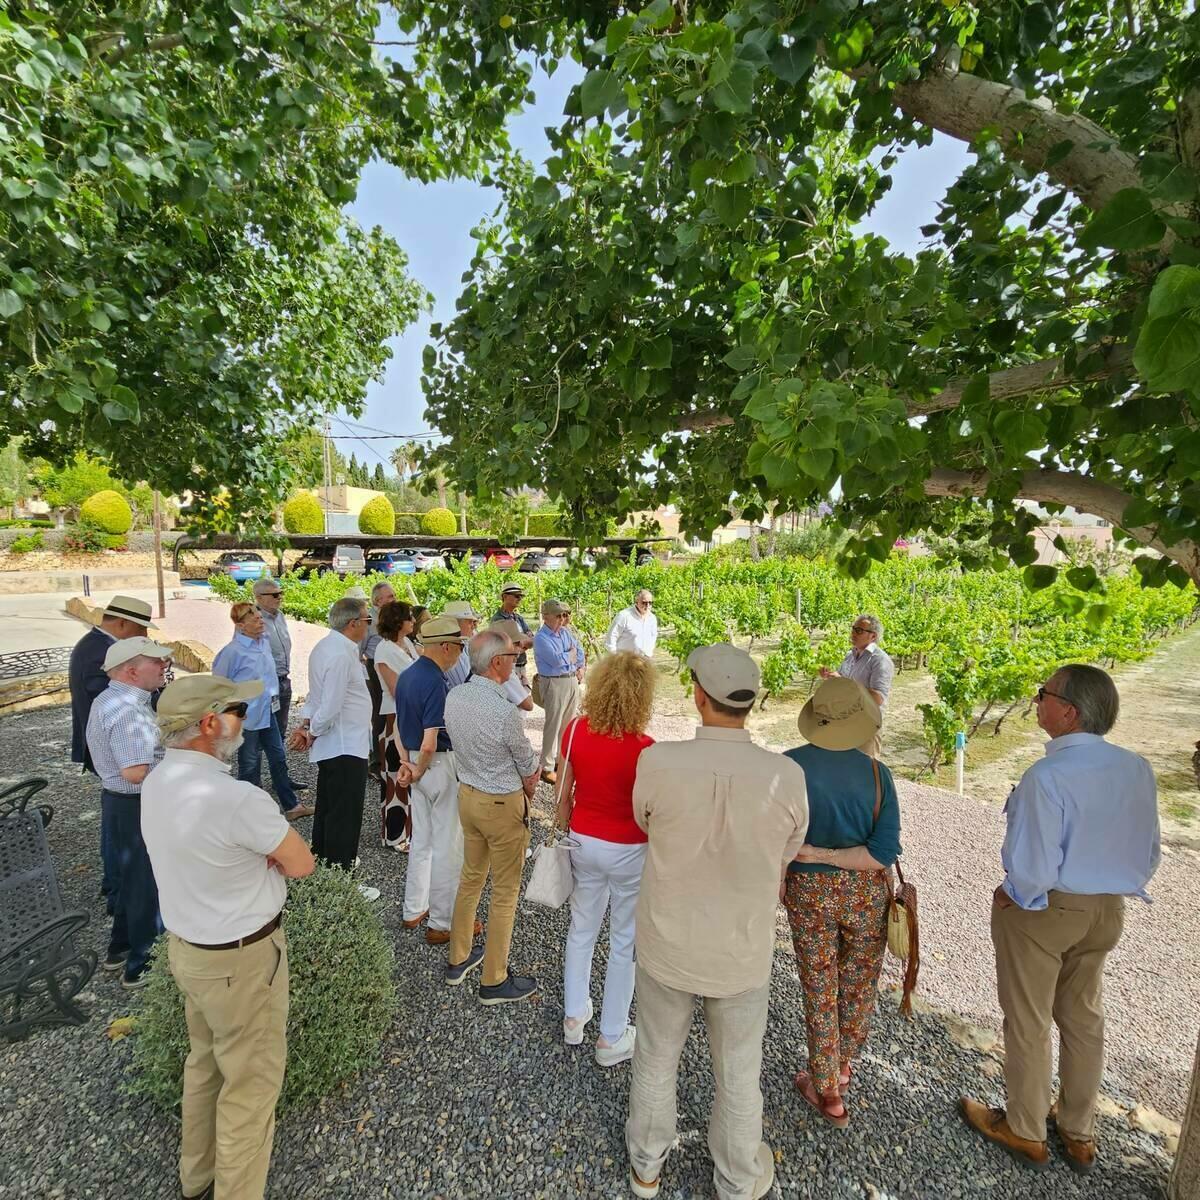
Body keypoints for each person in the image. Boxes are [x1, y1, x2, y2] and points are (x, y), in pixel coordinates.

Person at [961, 664, 1161, 1175]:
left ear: (1068, 712)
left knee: (1028, 1018)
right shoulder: (1136, 768)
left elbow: (1033, 865)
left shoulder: (1046, 775)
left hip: (1048, 908)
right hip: (1108, 909)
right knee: (1083, 1016)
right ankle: (1078, 1130)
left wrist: (1014, 893)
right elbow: (1151, 852)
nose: (1035, 700)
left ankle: (1025, 1130)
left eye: (1043, 694)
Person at [625, 643, 808, 1200]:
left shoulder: (657, 762)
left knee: (656, 1054)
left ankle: (646, 1168)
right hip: (742, 950)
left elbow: (643, 820)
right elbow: (790, 848)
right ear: (752, 702)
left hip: (668, 941)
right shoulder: (786, 775)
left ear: (699, 697)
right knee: (738, 1070)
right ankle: (735, 1179)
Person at [143, 674, 315, 1200]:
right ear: (210, 723)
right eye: (237, 708)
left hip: (190, 951)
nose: (245, 717)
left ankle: (196, 1178)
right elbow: (302, 864)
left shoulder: (157, 780)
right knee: (250, 1088)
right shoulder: (236, 798)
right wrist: (265, 857)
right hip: (243, 961)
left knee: (205, 1067)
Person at [783, 676, 901, 1127]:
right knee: (857, 983)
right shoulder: (878, 775)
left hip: (807, 893)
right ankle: (842, 1062)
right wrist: (835, 857)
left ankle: (827, 1086)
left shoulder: (789, 767)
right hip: (865, 895)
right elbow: (881, 853)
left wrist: (809, 856)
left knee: (819, 983)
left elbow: (775, 837)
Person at [554, 651, 656, 1066]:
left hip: (582, 839)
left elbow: (562, 792)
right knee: (623, 940)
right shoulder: (646, 748)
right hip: (629, 847)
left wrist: (565, 829)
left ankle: (574, 1015)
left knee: (582, 928)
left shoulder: (576, 730)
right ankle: (612, 1035)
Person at [442, 630, 542, 1003]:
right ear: (498, 663)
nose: (516, 663)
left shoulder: (455, 695)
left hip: (468, 796)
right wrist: (531, 783)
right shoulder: (503, 710)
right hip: (501, 804)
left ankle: (459, 957)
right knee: (504, 892)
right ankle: (494, 979)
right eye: (513, 657)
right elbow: (527, 763)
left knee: (470, 879)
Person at [84, 635, 173, 988]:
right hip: (135, 802)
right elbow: (135, 771)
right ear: (133, 671)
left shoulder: (112, 699)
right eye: (157, 662)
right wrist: (178, 772)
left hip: (120, 803)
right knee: (144, 883)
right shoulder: (128, 711)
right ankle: (142, 962)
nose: (164, 666)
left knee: (129, 877)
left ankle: (119, 948)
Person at [287, 597, 378, 901]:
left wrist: (307, 727)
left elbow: (317, 697)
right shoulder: (340, 653)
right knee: (344, 816)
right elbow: (331, 704)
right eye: (366, 620)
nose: (369, 625)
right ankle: (341, 883)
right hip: (344, 744)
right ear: (353, 623)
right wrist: (311, 730)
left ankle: (325, 872)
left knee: (329, 812)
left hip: (338, 743)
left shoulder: (327, 647)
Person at [68, 593, 153, 910]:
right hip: (115, 752)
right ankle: (118, 889)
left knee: (116, 821)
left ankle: (115, 883)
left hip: (109, 746)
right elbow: (116, 703)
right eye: (141, 630)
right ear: (122, 623)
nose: (145, 637)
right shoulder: (100, 652)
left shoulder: (91, 644)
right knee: (122, 824)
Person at [394, 615, 470, 945]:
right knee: (448, 846)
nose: (458, 653)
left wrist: (406, 764)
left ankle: (413, 908)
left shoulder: (408, 674)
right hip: (435, 763)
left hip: (414, 761)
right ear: (445, 647)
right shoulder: (436, 681)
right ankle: (443, 921)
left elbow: (397, 726)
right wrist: (420, 767)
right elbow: (431, 738)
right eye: (457, 646)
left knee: (422, 839)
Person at [213, 603, 310, 821]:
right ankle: (247, 813)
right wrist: (230, 715)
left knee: (278, 757)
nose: (261, 622)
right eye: (255, 619)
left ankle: (291, 806)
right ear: (240, 625)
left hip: (268, 712)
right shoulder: (232, 652)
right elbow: (219, 685)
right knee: (249, 764)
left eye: (260, 617)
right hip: (246, 718)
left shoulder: (263, 642)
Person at [373, 600, 420, 850]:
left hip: (411, 716)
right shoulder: (384, 650)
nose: (413, 622)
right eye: (409, 618)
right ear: (397, 622)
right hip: (395, 718)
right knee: (396, 774)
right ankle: (395, 835)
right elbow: (395, 688)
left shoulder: (408, 644)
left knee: (411, 774)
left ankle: (411, 832)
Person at [253, 577, 307, 795]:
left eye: (280, 593)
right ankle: (253, 783)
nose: (280, 598)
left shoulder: (280, 617)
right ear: (258, 597)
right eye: (274, 595)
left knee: (280, 732)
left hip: (283, 681)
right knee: (258, 735)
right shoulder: (254, 621)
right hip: (265, 685)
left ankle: (280, 779)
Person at [819, 615, 894, 755]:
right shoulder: (850, 655)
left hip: (866, 725)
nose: (853, 633)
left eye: (859, 630)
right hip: (845, 720)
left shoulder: (880, 661)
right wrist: (831, 677)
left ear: (873, 636)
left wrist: (844, 682)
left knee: (865, 772)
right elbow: (843, 683)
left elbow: (877, 698)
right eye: (853, 629)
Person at [533, 599, 584, 784]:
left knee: (568, 725)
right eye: (558, 616)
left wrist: (576, 663)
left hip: (570, 680)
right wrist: (568, 656)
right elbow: (555, 660)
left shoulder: (565, 633)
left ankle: (561, 760)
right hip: (554, 683)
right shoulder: (541, 638)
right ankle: (546, 766)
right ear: (546, 617)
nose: (563, 619)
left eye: (564, 615)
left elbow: (579, 653)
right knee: (553, 725)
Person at [364, 581, 397, 778]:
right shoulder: (369, 620)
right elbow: (359, 649)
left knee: (389, 712)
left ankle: (389, 756)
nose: (394, 598)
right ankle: (375, 762)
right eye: (391, 596)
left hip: (389, 665)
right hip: (375, 667)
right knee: (379, 713)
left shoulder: (389, 617)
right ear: (378, 600)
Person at [488, 619, 535, 711]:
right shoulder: (503, 671)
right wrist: (525, 687)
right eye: (517, 643)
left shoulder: (487, 663)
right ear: (508, 645)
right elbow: (528, 705)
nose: (520, 648)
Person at [493, 583, 533, 685]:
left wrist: (520, 642)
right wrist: (523, 641)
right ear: (505, 597)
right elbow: (503, 645)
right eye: (516, 596)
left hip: (521, 666)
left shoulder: (518, 618)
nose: (519, 598)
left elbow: (532, 640)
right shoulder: (498, 620)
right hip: (507, 667)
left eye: (521, 596)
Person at [605, 590, 658, 658]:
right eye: (644, 602)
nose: (647, 605)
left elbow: (653, 637)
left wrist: (649, 653)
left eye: (650, 603)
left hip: (644, 661)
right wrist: (616, 657)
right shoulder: (624, 616)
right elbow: (611, 637)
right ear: (636, 602)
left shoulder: (652, 619)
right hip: (624, 661)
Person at [442, 600, 482, 687]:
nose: (473, 626)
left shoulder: (463, 643)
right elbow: (465, 685)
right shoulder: (452, 648)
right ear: (456, 624)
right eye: (469, 622)